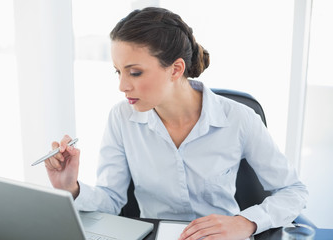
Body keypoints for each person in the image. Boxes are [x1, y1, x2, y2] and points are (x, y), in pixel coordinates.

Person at [45, 7, 308, 240]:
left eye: (135, 72)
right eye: (119, 71)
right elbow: (112, 201)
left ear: (176, 69)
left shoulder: (238, 119)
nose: (123, 86)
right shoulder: (121, 118)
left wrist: (245, 223)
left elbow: (293, 191)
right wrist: (72, 188)